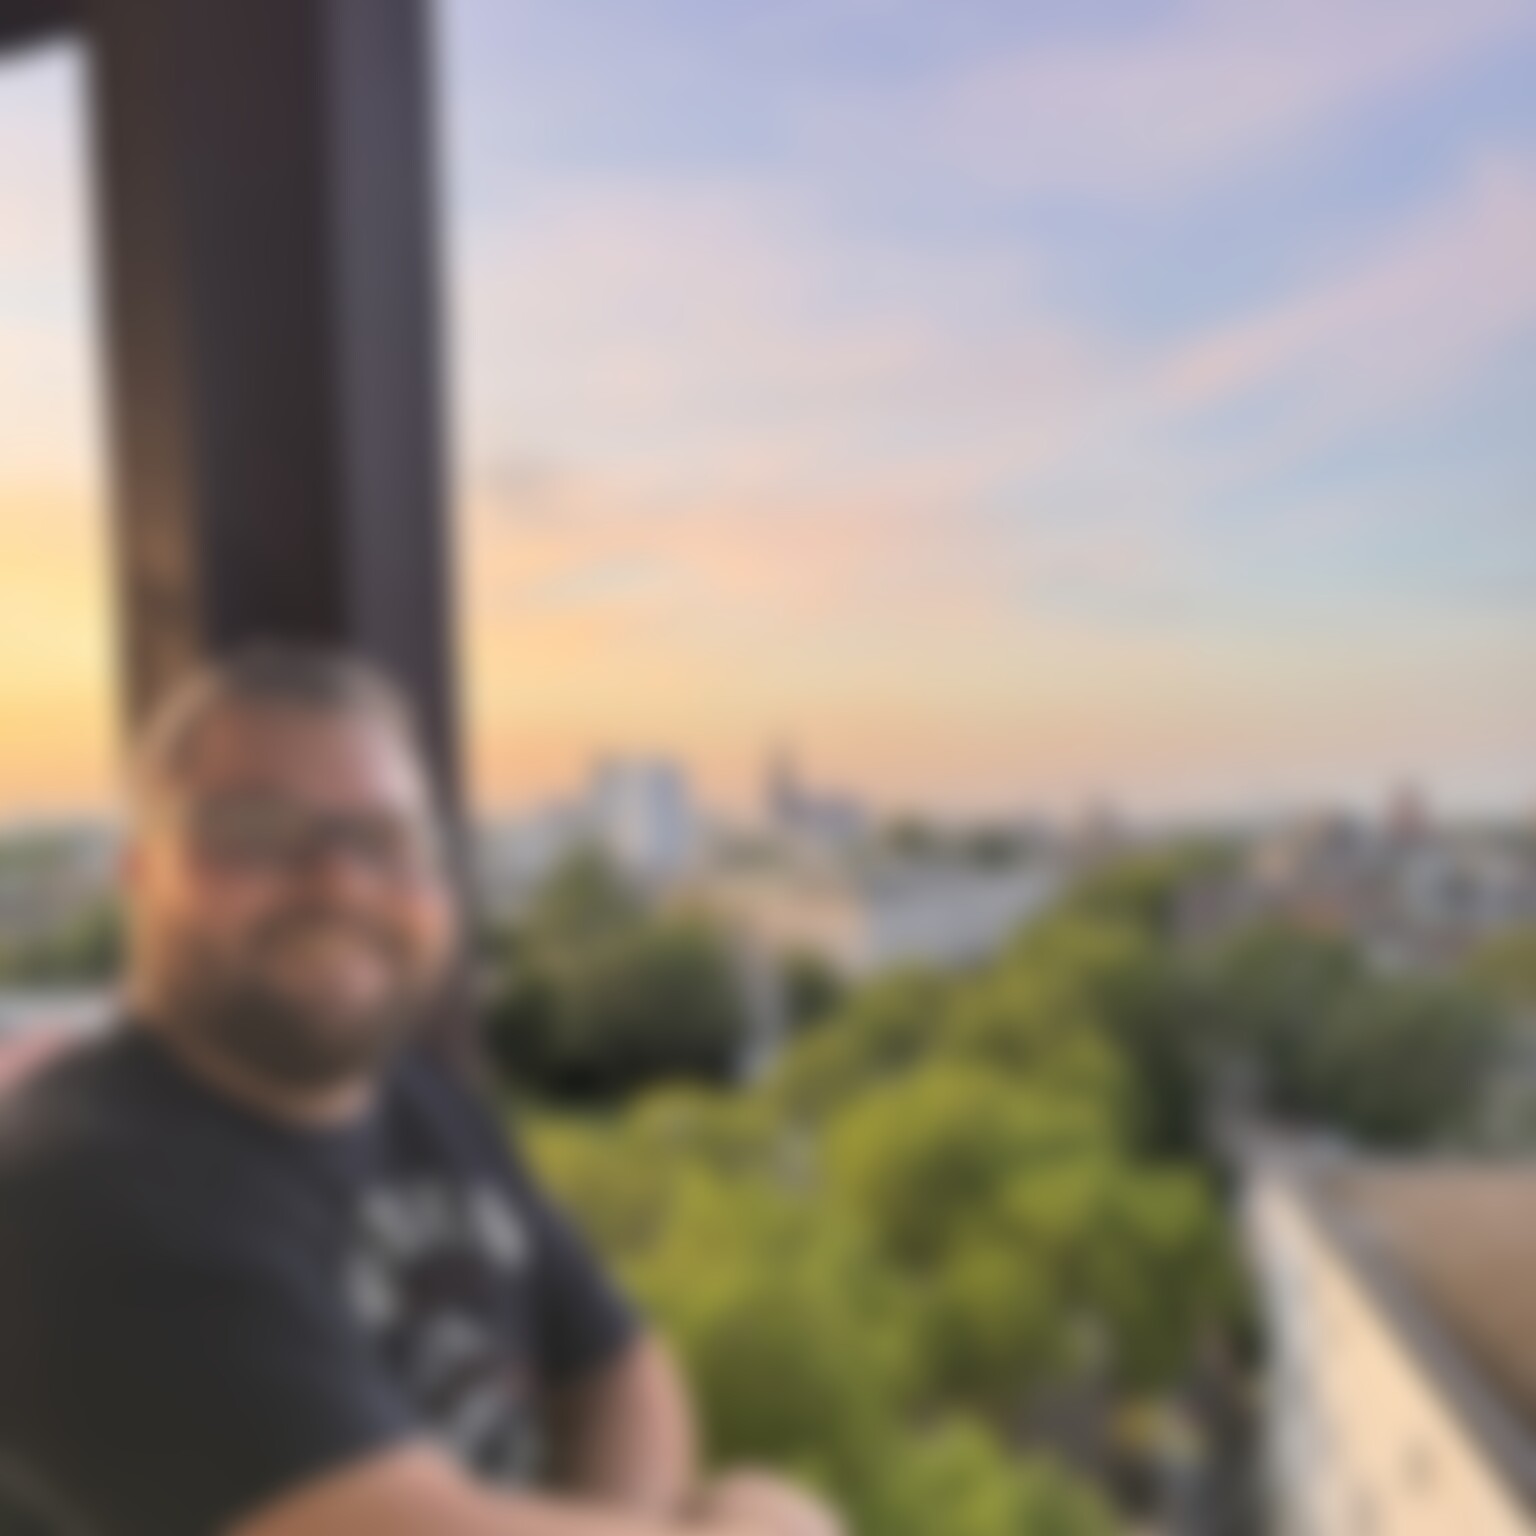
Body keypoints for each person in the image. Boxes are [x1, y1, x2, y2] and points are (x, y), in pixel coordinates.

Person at [0, 645, 842, 1536]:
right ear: (138, 868)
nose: (338, 881)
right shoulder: (72, 1196)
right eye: (256, 830)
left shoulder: (414, 1096)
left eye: (388, 840)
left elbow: (617, 1369)